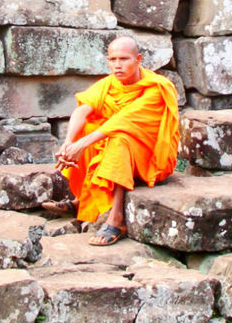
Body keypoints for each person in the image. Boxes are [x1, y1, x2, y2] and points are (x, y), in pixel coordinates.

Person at [44, 35, 180, 246]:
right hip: (119, 148)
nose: (117, 65)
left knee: (119, 139)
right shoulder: (109, 84)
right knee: (88, 126)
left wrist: (82, 144)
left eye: (124, 59)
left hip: (149, 158)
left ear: (138, 59)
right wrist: (69, 142)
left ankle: (117, 219)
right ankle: (82, 199)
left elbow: (121, 121)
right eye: (112, 59)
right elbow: (83, 109)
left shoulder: (157, 88)